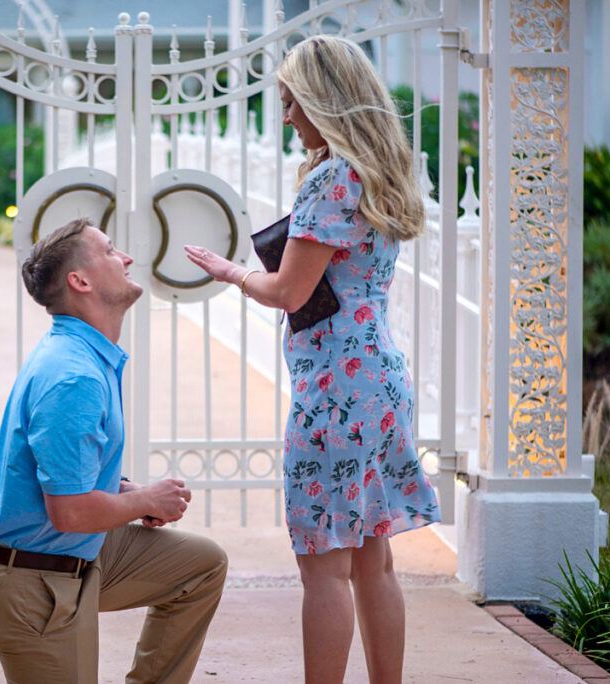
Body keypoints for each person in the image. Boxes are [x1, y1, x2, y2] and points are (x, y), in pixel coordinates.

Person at [0, 218, 227, 684]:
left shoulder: (85, 354)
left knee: (200, 566)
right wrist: (145, 501)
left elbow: (62, 481)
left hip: (70, 555)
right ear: (81, 281)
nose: (127, 258)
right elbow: (70, 513)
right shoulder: (74, 377)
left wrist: (126, 490)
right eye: (111, 251)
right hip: (27, 581)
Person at [184, 35, 441, 684]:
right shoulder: (380, 173)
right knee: (374, 558)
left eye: (292, 101)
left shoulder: (332, 178)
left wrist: (230, 272)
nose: (288, 115)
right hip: (380, 379)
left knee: (323, 564)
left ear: (322, 98)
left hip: (335, 391)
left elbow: (288, 290)